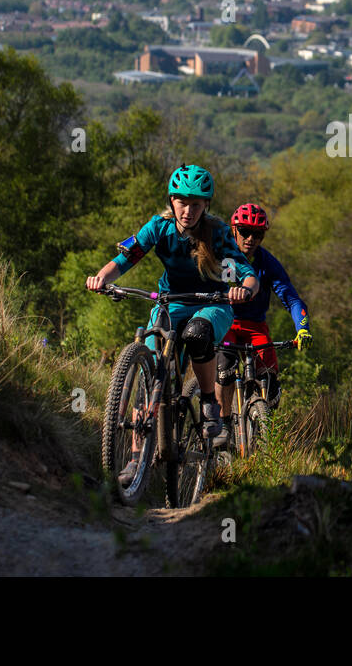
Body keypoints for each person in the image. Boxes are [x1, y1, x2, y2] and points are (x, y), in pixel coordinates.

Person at [86, 164, 258, 473]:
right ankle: (136, 459)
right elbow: (126, 258)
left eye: (196, 204)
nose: (188, 210)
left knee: (197, 333)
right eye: (182, 201)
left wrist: (242, 290)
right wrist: (101, 277)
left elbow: (245, 273)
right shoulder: (158, 228)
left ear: (206, 205)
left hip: (213, 304)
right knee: (150, 367)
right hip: (170, 302)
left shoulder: (217, 233)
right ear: (171, 200)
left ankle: (209, 403)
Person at [217, 202, 312, 438]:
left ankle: (261, 427)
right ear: (234, 230)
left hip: (254, 325)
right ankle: (223, 425)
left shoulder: (268, 262)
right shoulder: (223, 255)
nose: (250, 239)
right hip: (225, 321)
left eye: (257, 234)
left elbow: (292, 299)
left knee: (270, 382)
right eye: (245, 232)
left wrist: (302, 329)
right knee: (225, 369)